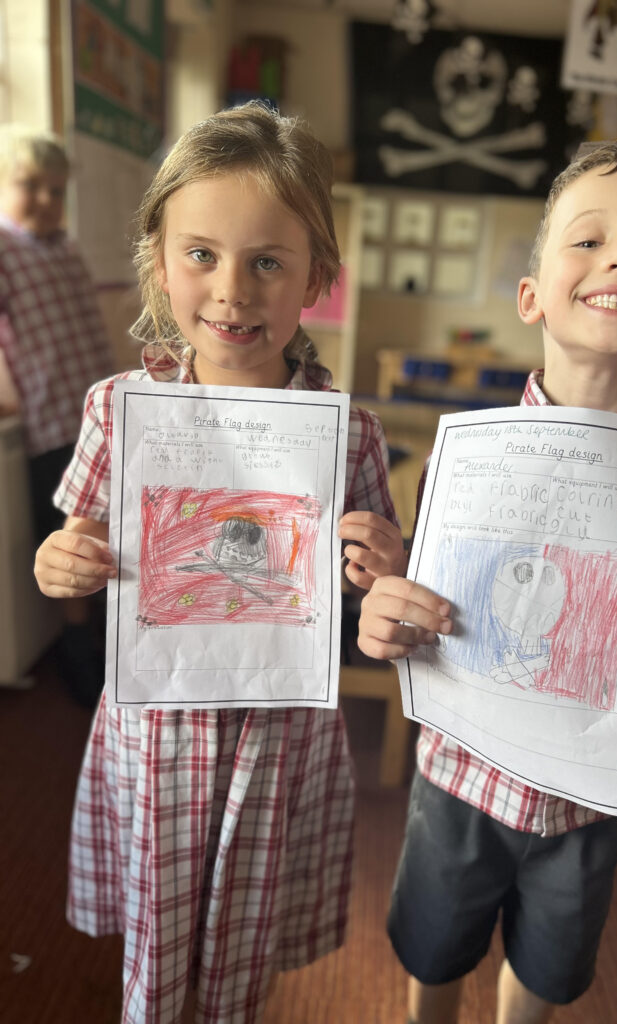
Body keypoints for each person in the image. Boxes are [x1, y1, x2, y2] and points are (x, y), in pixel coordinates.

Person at [33, 101, 406, 1024]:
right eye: (201, 254)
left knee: (242, 949)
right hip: (161, 726)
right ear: (159, 258)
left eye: (267, 261)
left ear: (315, 276)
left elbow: (377, 603)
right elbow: (71, 541)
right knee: (158, 959)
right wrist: (61, 563)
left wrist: (378, 569)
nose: (232, 289)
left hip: (277, 736)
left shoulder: (348, 433)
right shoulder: (119, 407)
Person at [357, 139, 617, 1024]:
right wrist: (385, 615)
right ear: (530, 295)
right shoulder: (462, 462)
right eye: (589, 239)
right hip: (460, 776)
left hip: (588, 802)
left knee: (547, 963)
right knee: (433, 942)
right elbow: (413, 618)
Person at [0, 123, 114, 703]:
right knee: (71, 538)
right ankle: (80, 656)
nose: (45, 199)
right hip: (48, 419)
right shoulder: (2, 245)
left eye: (56, 189)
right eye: (30, 186)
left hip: (98, 413)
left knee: (111, 529)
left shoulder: (67, 248)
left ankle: (104, 634)